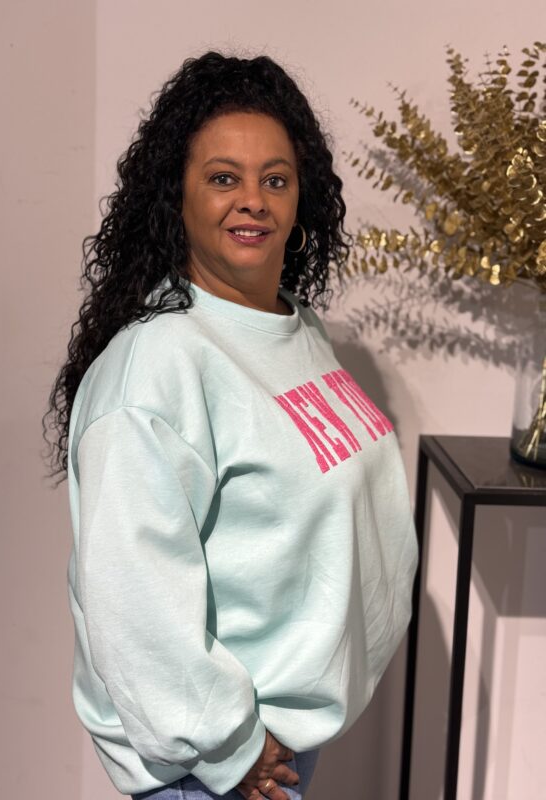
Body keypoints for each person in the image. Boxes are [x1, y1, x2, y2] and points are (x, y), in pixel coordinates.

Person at [43, 51, 419, 800]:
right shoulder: (156, 367)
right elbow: (134, 601)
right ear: (175, 197)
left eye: (275, 180)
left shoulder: (293, 328)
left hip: (282, 736)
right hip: (216, 770)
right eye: (223, 178)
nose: (252, 201)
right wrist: (231, 746)